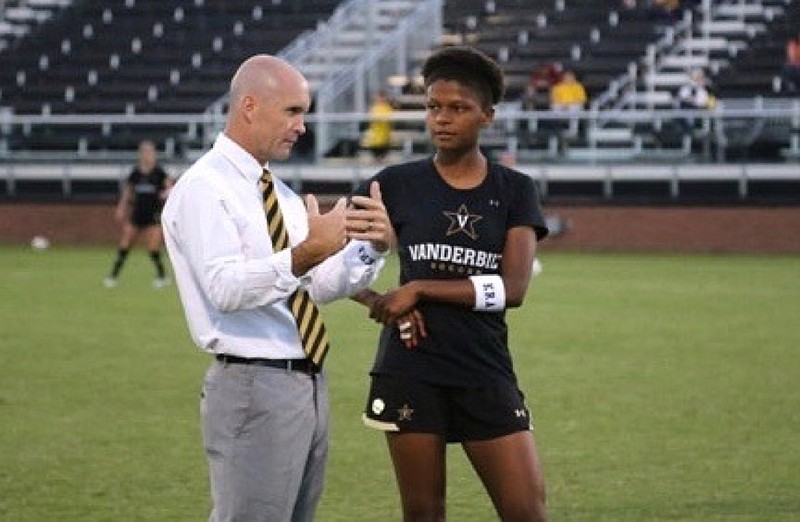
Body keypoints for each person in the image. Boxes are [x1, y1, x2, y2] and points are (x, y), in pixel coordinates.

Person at [160, 54, 392, 522]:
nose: (302, 127)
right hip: (253, 382)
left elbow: (318, 286)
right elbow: (224, 288)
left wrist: (371, 247)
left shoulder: (279, 194)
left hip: (304, 382)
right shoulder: (205, 187)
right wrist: (308, 251)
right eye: (292, 111)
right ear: (249, 106)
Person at [351, 46, 550, 521]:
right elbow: (339, 266)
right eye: (433, 107)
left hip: (484, 367)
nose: (442, 119)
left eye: (458, 108)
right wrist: (381, 300)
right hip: (410, 368)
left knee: (527, 510)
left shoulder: (514, 190)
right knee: (424, 515)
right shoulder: (394, 183)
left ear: (487, 116)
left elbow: (512, 289)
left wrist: (418, 290)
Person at [103, 139, 173, 288]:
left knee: (153, 248)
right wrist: (122, 208)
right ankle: (113, 276)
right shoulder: (135, 173)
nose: (148, 155)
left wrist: (164, 194)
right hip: (137, 214)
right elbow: (128, 192)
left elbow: (171, 189)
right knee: (125, 245)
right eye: (145, 152)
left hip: (153, 214)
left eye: (150, 152)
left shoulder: (159, 173)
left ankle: (162, 277)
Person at [360, 89, 395, 162]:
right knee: (376, 153)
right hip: (375, 137)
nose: (380, 99)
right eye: (379, 97)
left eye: (382, 97)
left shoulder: (388, 108)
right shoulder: (374, 108)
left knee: (383, 152)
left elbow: (389, 119)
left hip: (385, 136)